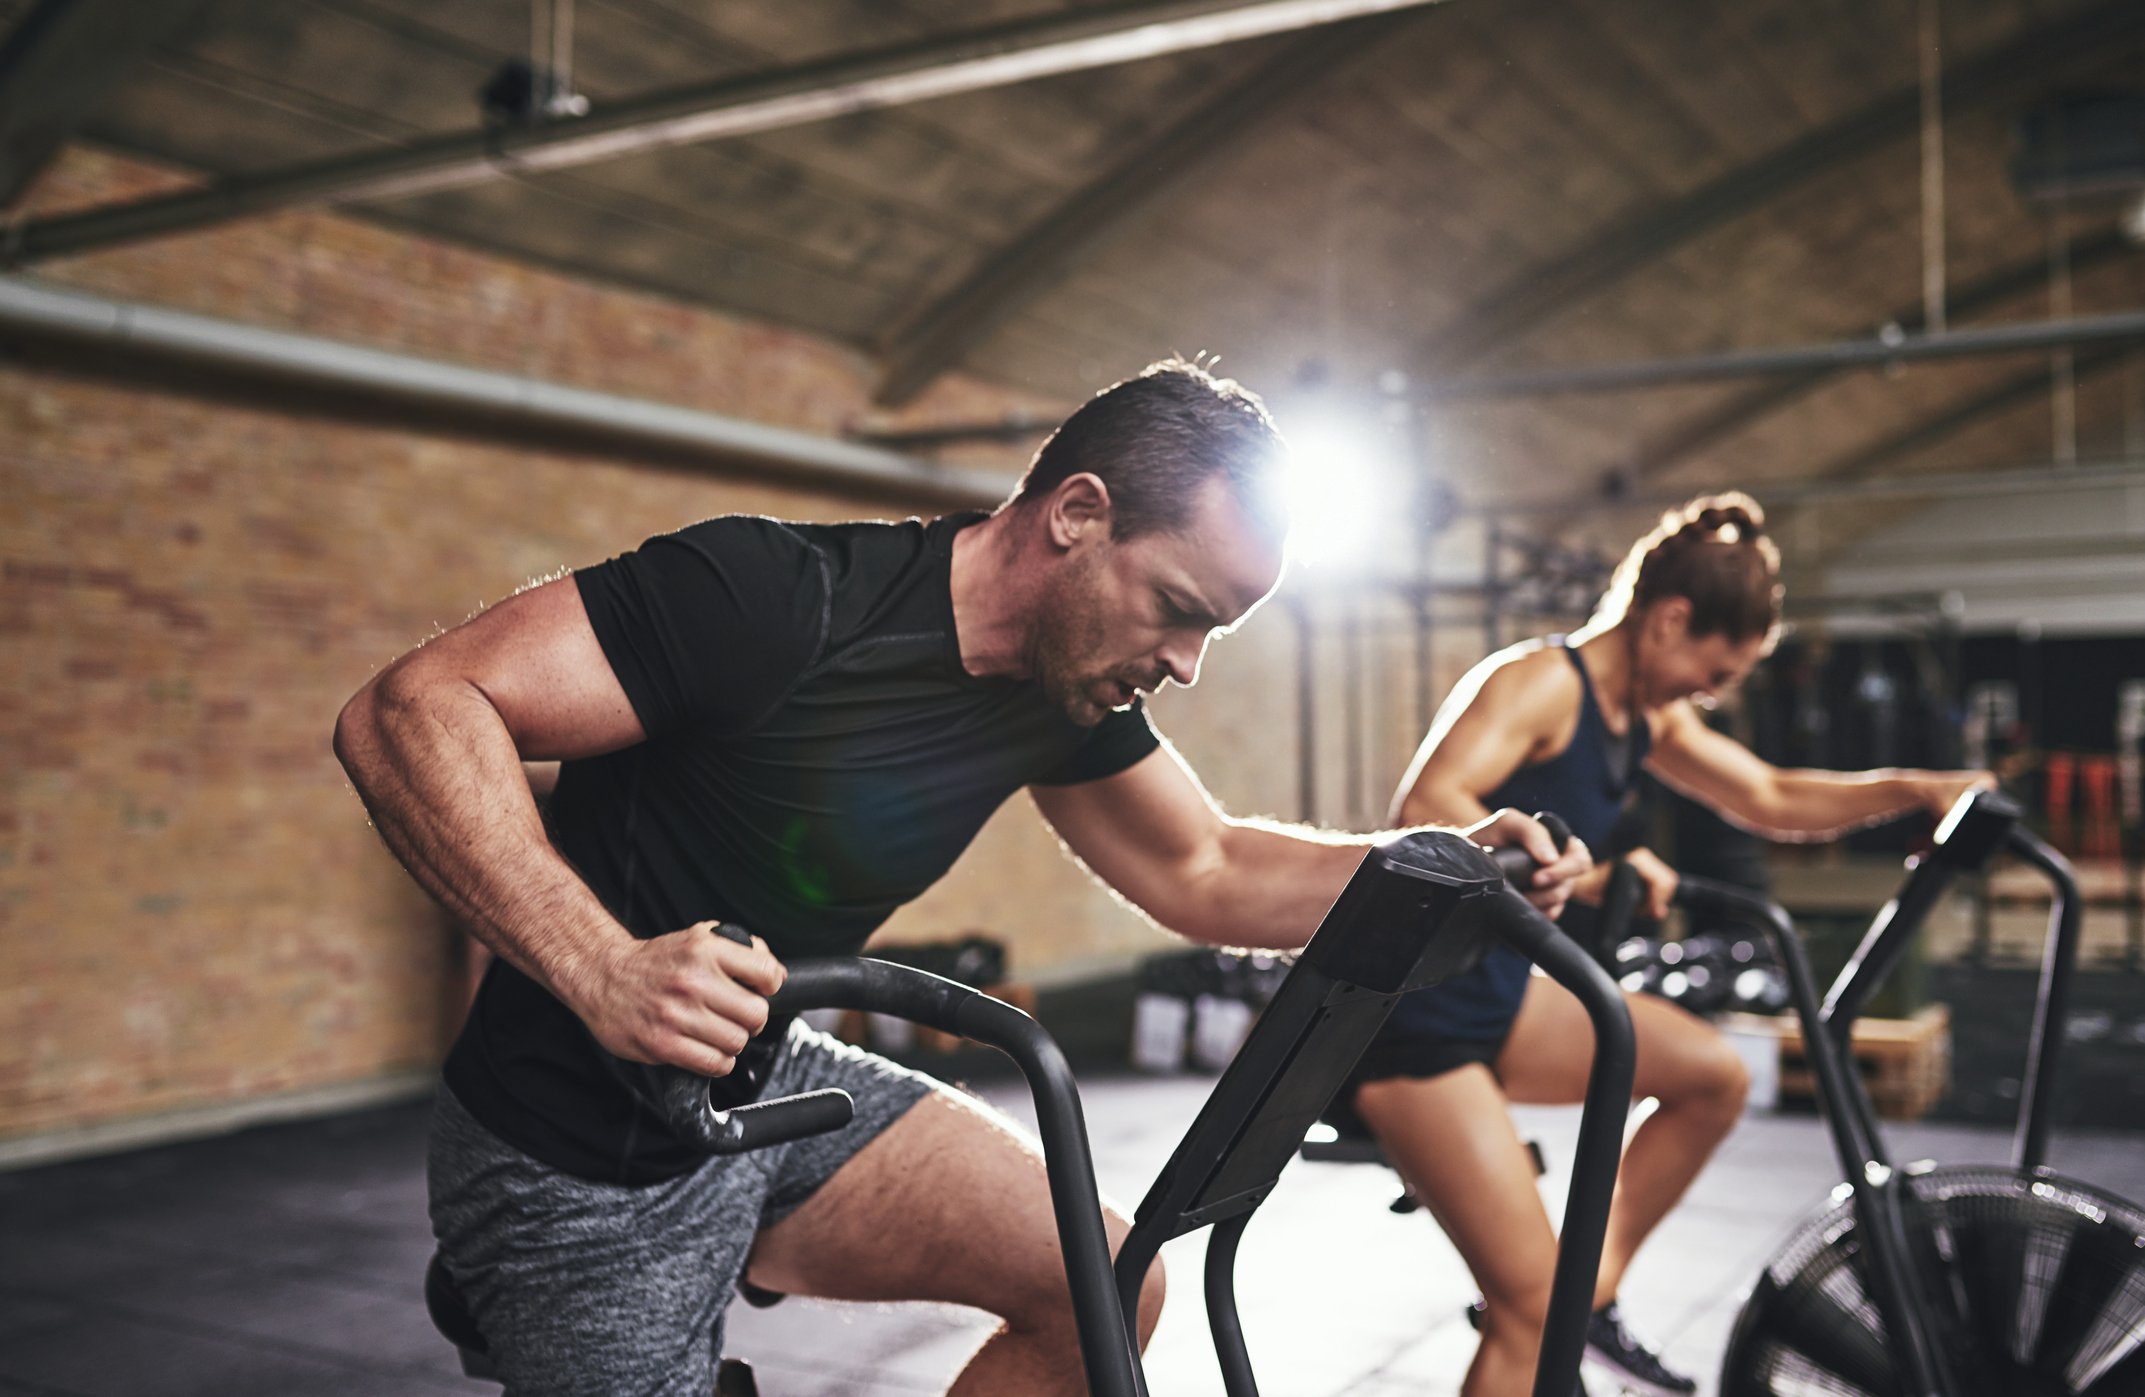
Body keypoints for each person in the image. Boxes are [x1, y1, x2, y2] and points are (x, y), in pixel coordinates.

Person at [333, 359, 1589, 1397]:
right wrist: (600, 963)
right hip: (566, 1156)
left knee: (1104, 1289)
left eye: (1213, 630)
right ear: (1076, 513)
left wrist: (1450, 872)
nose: (1188, 663)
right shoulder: (776, 599)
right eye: (1176, 608)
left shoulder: (1059, 691)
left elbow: (1206, 868)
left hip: (763, 1088)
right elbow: (412, 707)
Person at [1344, 492, 1988, 1397]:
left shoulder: (1644, 715)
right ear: (1670, 619)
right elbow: (1424, 811)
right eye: (1710, 671)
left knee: (1708, 1075)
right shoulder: (1536, 683)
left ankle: (1584, 1286)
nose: (1707, 695)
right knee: (1532, 1315)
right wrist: (1589, 869)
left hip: (1498, 991)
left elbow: (1768, 797)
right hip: (1414, 1018)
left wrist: (1915, 790)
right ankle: (1551, 1302)